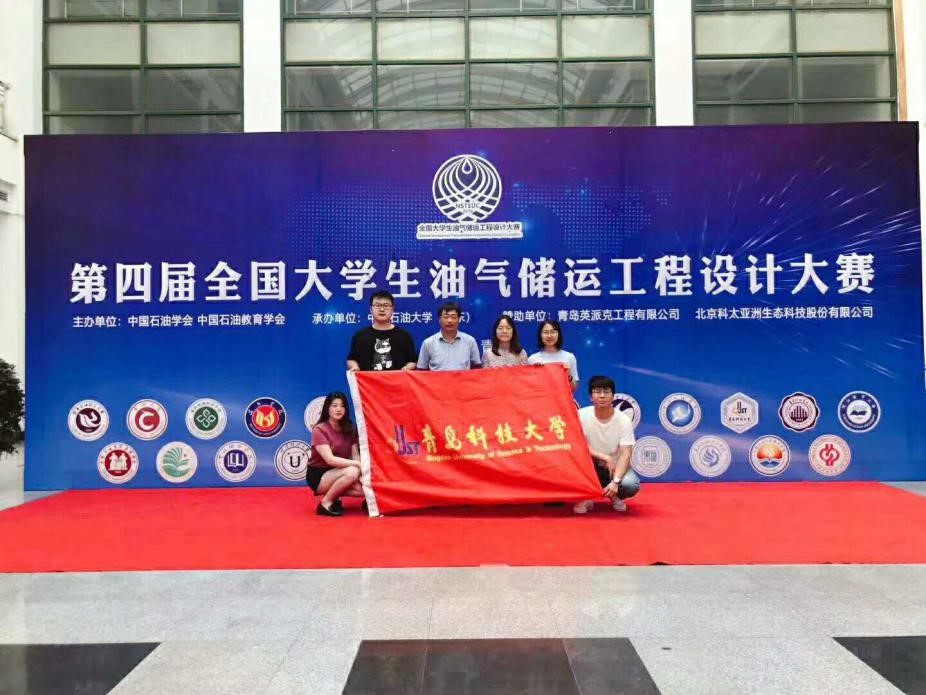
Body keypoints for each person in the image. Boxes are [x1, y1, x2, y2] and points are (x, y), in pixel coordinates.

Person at [574, 375, 641, 514]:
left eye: (606, 392)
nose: (602, 396)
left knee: (630, 484)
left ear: (613, 396)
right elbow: (580, 446)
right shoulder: (581, 415)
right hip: (589, 465)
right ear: (591, 397)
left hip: (614, 467)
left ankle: (614, 494)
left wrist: (616, 481)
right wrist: (604, 457)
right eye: (597, 392)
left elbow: (626, 454)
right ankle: (587, 496)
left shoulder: (623, 420)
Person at [306, 391, 364, 516]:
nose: (338, 409)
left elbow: (355, 455)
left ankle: (335, 497)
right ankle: (326, 503)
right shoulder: (319, 430)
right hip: (319, 475)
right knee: (352, 471)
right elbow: (330, 460)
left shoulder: (350, 428)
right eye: (334, 405)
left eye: (342, 406)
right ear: (327, 408)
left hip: (339, 470)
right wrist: (358, 465)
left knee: (364, 490)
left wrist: (361, 474)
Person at [347, 290, 417, 372]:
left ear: (392, 309)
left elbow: (412, 361)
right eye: (377, 305)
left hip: (396, 380)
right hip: (369, 380)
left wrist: (407, 368)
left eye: (386, 306)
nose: (382, 309)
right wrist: (355, 367)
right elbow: (351, 359)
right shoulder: (360, 335)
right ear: (371, 309)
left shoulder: (404, 336)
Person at [417, 301, 481, 371]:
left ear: (459, 319)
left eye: (453, 317)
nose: (450, 320)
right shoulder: (428, 343)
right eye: (446, 317)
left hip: (463, 378)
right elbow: (422, 370)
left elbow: (476, 368)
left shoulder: (470, 341)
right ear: (439, 320)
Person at [528, 319, 579, 391]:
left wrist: (568, 376)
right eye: (545, 332)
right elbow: (528, 388)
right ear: (540, 335)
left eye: (553, 332)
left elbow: (574, 388)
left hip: (562, 398)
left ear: (558, 334)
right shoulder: (532, 359)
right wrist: (535, 373)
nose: (549, 336)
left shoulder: (569, 357)